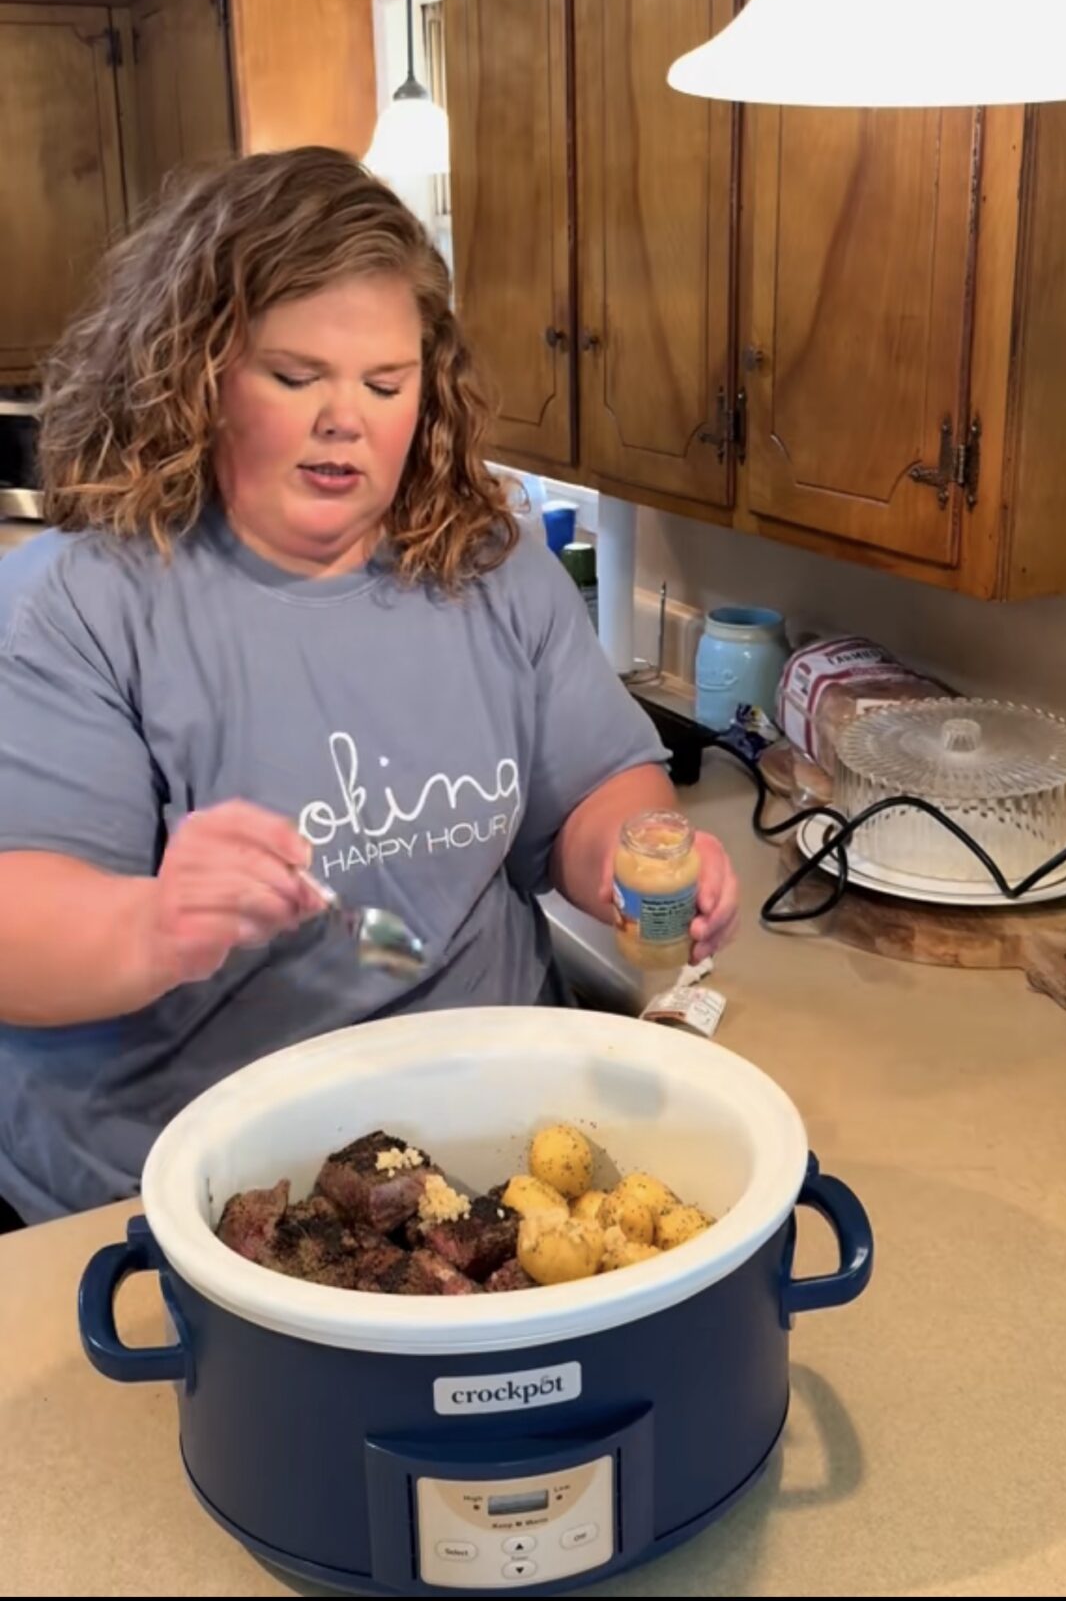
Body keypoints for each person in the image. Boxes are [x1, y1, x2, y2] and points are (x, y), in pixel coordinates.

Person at [0, 148, 738, 1226]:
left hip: (483, 1155)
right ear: (195, 377)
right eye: (295, 377)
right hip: (191, 1185)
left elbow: (595, 791)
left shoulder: (492, 567)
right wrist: (156, 925)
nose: (344, 417)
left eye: (384, 384)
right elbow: (18, 931)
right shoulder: (78, 605)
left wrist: (633, 867)